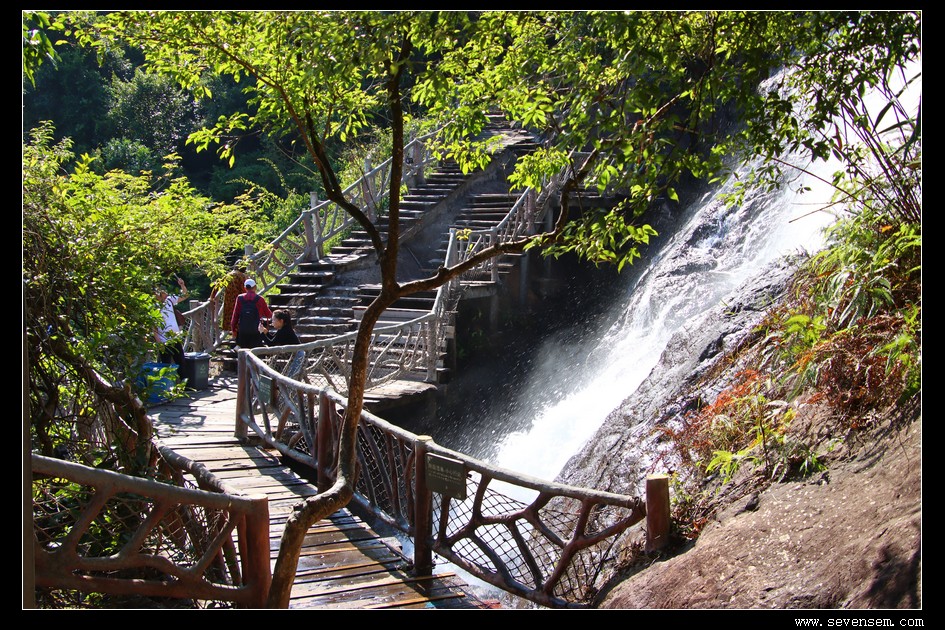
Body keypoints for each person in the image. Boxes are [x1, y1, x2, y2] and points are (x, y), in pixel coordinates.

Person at [154, 275, 189, 370]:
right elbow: (153, 327)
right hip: (164, 341)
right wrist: (159, 343)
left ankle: (183, 379)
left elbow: (185, 295)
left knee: (181, 363)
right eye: (163, 291)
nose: (166, 293)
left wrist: (182, 285)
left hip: (175, 337)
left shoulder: (169, 300)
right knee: (166, 366)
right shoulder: (154, 307)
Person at [230, 278, 272, 349]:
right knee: (255, 352)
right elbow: (269, 314)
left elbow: (235, 316)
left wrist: (233, 330)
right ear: (255, 287)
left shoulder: (240, 298)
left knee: (243, 351)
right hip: (256, 331)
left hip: (243, 331)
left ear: (245, 288)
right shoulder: (260, 299)